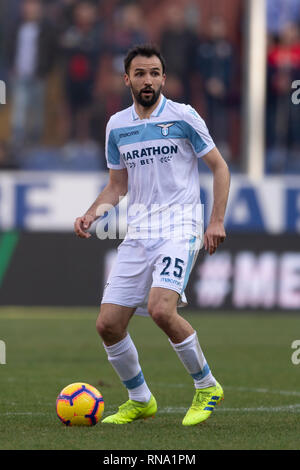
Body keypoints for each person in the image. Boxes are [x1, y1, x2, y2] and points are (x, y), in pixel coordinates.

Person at [74, 44, 230, 426]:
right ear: (127, 79)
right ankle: (140, 399)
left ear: (164, 78)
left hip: (180, 227)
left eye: (154, 73)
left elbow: (220, 168)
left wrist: (216, 221)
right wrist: (93, 214)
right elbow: (117, 185)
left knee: (162, 309)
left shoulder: (184, 116)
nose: (148, 80)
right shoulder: (117, 125)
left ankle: (207, 385)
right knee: (108, 324)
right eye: (140, 73)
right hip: (139, 231)